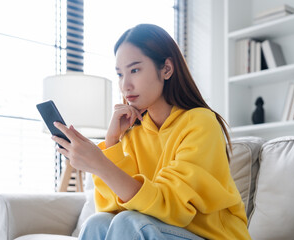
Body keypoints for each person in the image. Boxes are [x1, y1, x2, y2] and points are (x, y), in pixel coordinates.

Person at [52, 24, 251, 240]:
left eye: (135, 70)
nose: (125, 85)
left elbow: (173, 208)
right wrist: (112, 142)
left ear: (166, 69)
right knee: (97, 222)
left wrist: (100, 163)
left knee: (129, 223)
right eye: (120, 74)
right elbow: (112, 207)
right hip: (158, 231)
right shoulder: (133, 133)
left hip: (212, 236)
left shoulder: (201, 123)